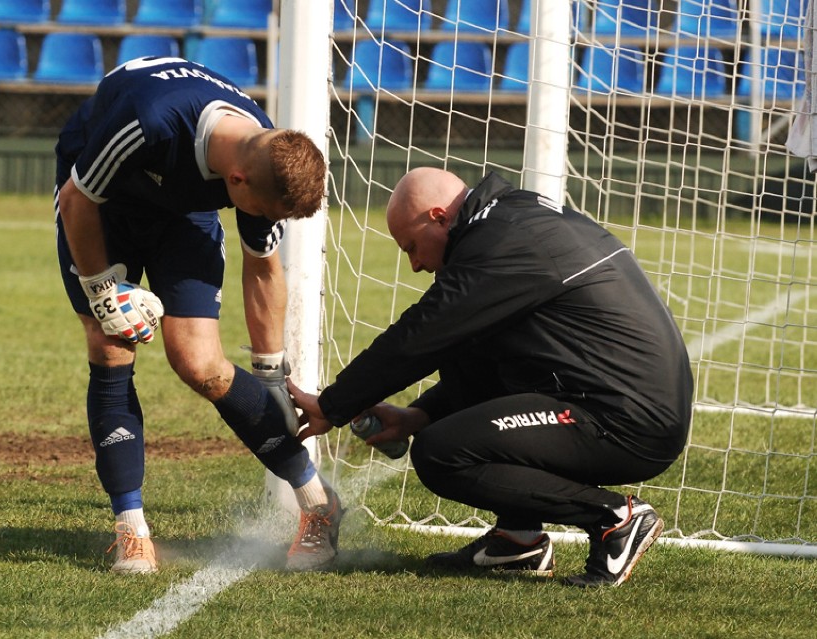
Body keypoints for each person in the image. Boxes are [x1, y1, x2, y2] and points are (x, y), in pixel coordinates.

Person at [288, 167, 694, 587]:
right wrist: (418, 415)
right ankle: (518, 541)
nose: (414, 265)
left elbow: (422, 335)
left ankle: (615, 519)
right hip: (616, 399)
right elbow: (476, 357)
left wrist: (334, 405)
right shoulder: (507, 220)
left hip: (627, 418)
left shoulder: (501, 239)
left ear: (440, 216)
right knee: (461, 380)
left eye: (411, 246)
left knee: (441, 453)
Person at [54, 56, 342, 574]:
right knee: (110, 344)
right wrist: (103, 294)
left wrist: (271, 373)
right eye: (256, 211)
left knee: (200, 363)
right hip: (100, 204)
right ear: (234, 180)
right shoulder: (148, 120)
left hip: (182, 214)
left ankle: (320, 503)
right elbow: (78, 199)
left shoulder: (265, 155)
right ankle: (131, 530)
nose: (258, 221)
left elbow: (262, 266)